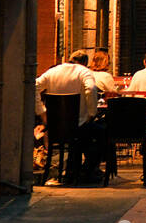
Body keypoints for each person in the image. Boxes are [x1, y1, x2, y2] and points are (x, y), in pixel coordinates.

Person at [36, 52, 100, 181]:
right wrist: (92, 113)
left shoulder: (52, 72)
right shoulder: (83, 72)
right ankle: (87, 170)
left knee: (81, 137)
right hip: (79, 126)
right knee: (101, 132)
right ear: (84, 63)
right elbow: (91, 88)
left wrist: (42, 112)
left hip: (56, 127)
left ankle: (73, 170)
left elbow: (33, 87)